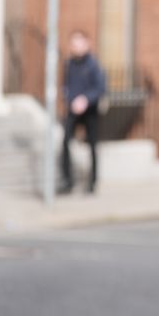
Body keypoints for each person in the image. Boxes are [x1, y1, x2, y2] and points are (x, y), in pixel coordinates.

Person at [60, 29, 106, 194]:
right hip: (74, 108)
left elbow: (100, 87)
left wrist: (85, 99)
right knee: (65, 141)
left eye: (79, 43)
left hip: (90, 110)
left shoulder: (93, 64)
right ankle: (67, 180)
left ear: (86, 44)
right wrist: (67, 96)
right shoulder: (69, 63)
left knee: (92, 145)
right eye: (73, 43)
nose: (75, 47)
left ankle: (92, 182)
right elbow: (67, 85)